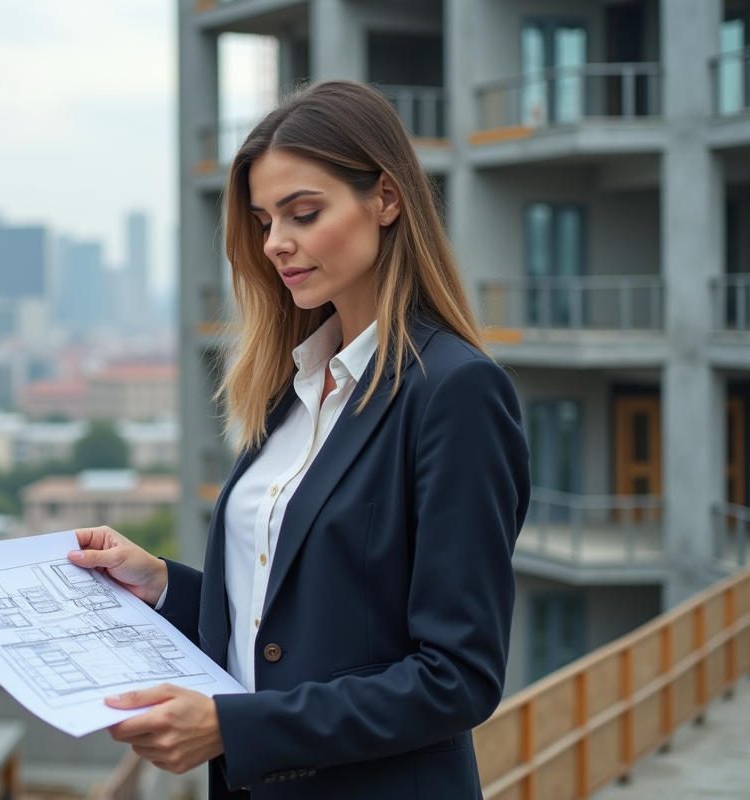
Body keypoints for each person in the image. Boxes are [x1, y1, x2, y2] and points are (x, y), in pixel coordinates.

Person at [67, 79, 530, 799]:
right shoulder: (297, 387)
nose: (276, 243)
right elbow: (287, 628)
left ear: (385, 198)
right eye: (261, 220)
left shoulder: (455, 393)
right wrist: (161, 585)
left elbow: (458, 679)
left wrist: (235, 728)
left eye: (303, 213)